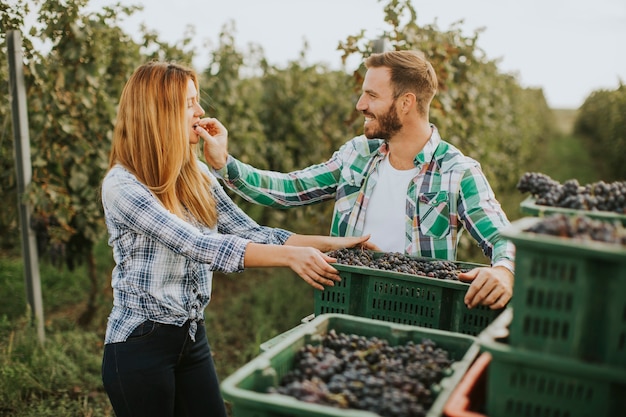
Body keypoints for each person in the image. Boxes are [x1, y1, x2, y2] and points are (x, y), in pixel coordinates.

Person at [100, 61, 374, 417]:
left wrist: (332, 243)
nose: (200, 112)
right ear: (158, 113)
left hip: (191, 335)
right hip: (140, 344)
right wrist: (292, 258)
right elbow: (198, 245)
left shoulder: (195, 173)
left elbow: (252, 233)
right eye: (189, 103)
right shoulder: (122, 185)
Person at [203, 50, 515, 311]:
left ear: (406, 103)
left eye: (371, 95)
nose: (360, 104)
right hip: (346, 307)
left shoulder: (457, 172)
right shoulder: (357, 155)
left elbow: (504, 238)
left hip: (419, 315)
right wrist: (224, 164)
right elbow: (290, 189)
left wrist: (503, 271)